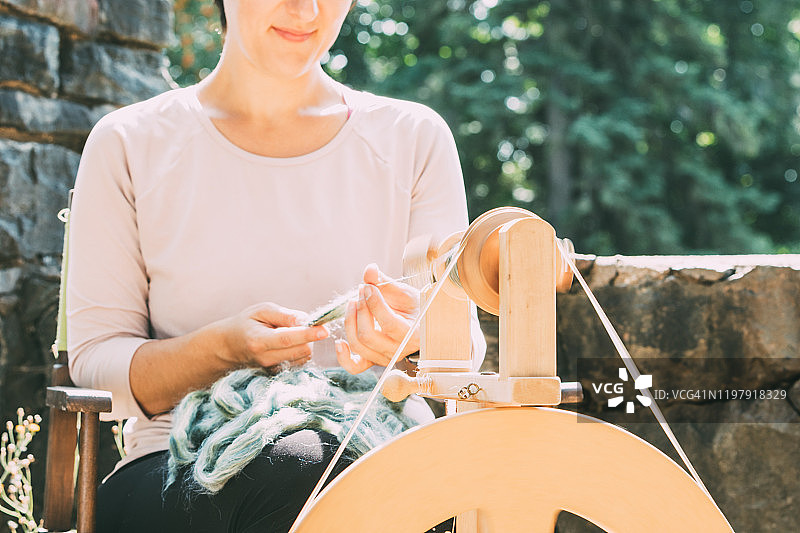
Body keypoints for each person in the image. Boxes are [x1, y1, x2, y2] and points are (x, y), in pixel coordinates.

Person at [66, 0, 485, 531]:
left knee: (339, 476)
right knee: (308, 473)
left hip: (380, 453)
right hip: (179, 467)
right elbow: (97, 362)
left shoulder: (415, 140)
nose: (306, 9)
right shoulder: (129, 144)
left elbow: (462, 350)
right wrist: (220, 351)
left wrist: (415, 342)